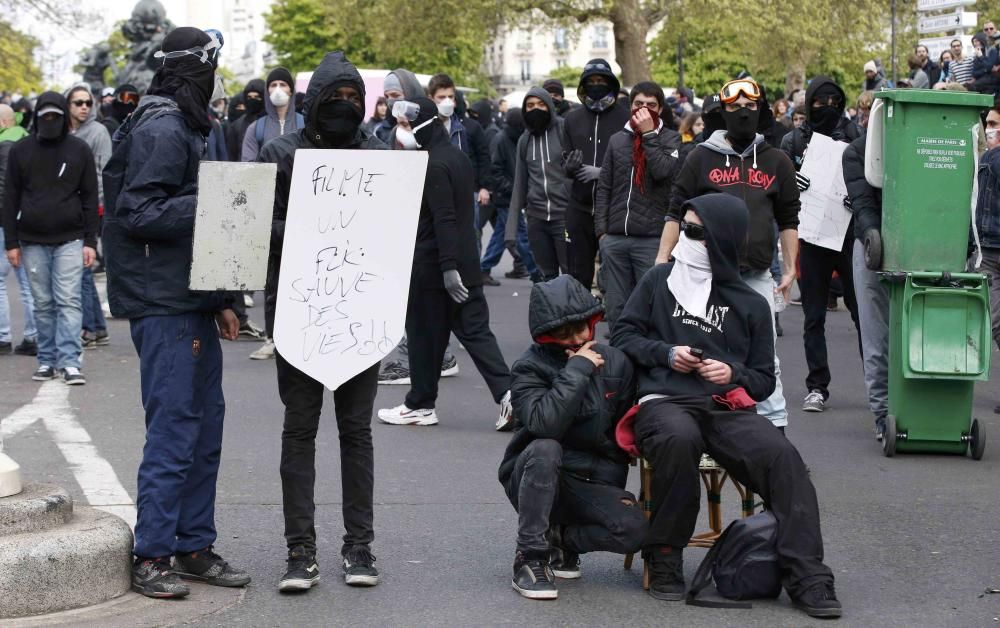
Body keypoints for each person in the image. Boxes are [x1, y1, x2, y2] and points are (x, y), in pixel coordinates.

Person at [612, 193, 841, 618]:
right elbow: (623, 335)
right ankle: (663, 558)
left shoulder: (751, 303)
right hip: (665, 400)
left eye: (696, 231)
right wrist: (666, 354)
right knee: (677, 439)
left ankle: (808, 576)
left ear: (721, 239)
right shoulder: (658, 282)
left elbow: (762, 380)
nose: (685, 236)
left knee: (782, 457)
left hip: (725, 406)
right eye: (683, 226)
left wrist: (730, 372)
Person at [101, 26, 249, 598]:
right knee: (175, 430)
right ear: (197, 69)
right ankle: (154, 554)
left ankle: (192, 544)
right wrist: (215, 197)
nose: (217, 80)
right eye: (212, 67)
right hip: (164, 304)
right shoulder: (164, 124)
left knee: (203, 427)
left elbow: (190, 224)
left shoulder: (179, 120)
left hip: (188, 298)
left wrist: (223, 299)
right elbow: (138, 212)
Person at [256, 51, 386, 593]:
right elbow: (259, 223)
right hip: (298, 308)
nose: (344, 106)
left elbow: (394, 233)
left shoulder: (379, 157)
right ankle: (299, 550)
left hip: (359, 310)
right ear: (311, 103)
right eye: (335, 96)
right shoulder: (279, 152)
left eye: (354, 97)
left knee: (356, 432)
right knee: (300, 429)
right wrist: (319, 229)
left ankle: (359, 546)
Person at [655, 78, 798, 430]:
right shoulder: (700, 157)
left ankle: (773, 429)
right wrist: (662, 259)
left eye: (750, 106)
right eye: (733, 107)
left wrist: (791, 269)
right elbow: (675, 211)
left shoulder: (777, 161)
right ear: (721, 112)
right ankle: (703, 425)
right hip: (704, 276)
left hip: (756, 277)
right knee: (699, 351)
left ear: (762, 110)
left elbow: (788, 218)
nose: (742, 113)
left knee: (766, 360)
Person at [500, 274, 645, 600]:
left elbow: (622, 428)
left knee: (634, 531)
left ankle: (561, 539)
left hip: (592, 481)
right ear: (547, 336)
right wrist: (577, 369)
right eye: (564, 334)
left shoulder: (617, 362)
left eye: (582, 327)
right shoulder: (529, 367)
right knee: (547, 447)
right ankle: (530, 556)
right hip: (535, 475)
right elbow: (544, 424)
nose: (578, 338)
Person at [376, 97, 514, 430]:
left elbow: (444, 217)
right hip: (464, 262)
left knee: (424, 336)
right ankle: (511, 397)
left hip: (435, 267)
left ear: (421, 124)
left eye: (407, 125)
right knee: (476, 334)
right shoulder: (457, 157)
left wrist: (447, 268)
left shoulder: (433, 164)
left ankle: (421, 404)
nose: (402, 131)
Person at [3, 91, 97, 385]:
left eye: (56, 116)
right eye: (45, 117)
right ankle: (46, 360)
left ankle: (69, 361)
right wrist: (12, 243)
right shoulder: (20, 151)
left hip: (70, 238)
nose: (50, 122)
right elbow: (10, 199)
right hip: (31, 241)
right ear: (37, 118)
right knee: (43, 303)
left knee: (69, 300)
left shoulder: (79, 150)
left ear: (63, 117)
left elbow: (90, 198)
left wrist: (90, 242)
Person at [780, 76, 861, 413]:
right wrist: (790, 181)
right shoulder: (794, 140)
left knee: (863, 315)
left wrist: (858, 198)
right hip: (812, 237)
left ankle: (880, 381)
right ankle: (817, 386)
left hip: (847, 236)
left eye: (833, 102)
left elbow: (875, 179)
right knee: (814, 315)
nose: (826, 109)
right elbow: (776, 185)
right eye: (819, 103)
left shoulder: (856, 136)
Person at [594, 82, 681, 327]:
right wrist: (602, 233)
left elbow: (664, 172)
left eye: (651, 105)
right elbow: (604, 187)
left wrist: (649, 135)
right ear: (630, 106)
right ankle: (619, 359)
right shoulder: (617, 140)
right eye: (638, 104)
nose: (644, 109)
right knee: (616, 307)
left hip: (652, 239)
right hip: (615, 238)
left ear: (661, 109)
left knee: (652, 306)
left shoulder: (671, 139)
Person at [561, 60, 630, 290]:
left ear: (611, 84)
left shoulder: (626, 117)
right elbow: (564, 158)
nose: (596, 85)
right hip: (579, 206)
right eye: (591, 81)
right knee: (577, 270)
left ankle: (615, 318)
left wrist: (602, 173)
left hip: (614, 208)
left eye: (601, 81)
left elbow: (634, 162)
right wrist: (569, 166)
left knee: (615, 273)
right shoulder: (572, 119)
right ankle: (580, 321)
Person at [841, 134, 888, 439]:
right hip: (874, 247)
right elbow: (863, 204)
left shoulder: (923, 143)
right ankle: (883, 412)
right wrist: (873, 236)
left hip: (921, 244)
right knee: (876, 334)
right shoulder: (857, 152)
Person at [64, 82, 112, 350]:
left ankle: (91, 327)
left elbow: (105, 171)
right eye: (77, 103)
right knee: (81, 270)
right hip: (67, 206)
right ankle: (96, 327)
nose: (84, 107)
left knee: (81, 268)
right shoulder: (62, 131)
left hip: (91, 208)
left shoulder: (98, 132)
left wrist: (98, 204)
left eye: (87, 103)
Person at [506, 88, 570, 282]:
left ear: (550, 106)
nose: (536, 109)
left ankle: (575, 312)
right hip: (537, 219)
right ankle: (550, 313)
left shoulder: (563, 129)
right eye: (531, 105)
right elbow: (519, 184)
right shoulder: (524, 140)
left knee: (570, 274)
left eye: (541, 105)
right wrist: (510, 231)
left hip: (564, 218)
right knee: (545, 276)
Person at [481, 108, 540, 284]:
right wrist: (513, 189)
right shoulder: (502, 140)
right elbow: (495, 170)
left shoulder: (513, 138)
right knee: (520, 235)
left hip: (509, 195)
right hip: (507, 196)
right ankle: (536, 272)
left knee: (502, 234)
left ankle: (484, 268)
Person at [0, 104, 36, 356]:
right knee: (28, 282)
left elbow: (4, 189)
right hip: (28, 217)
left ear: (3, 121)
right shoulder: (27, 140)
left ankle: (2, 336)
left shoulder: (4, 144)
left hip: (5, 220)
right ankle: (34, 335)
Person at [972, 106, 1000, 412]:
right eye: (986, 124)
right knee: (995, 323)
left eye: (993, 124)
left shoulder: (991, 158)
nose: (987, 128)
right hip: (988, 251)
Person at [241, 67, 303, 162]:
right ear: (267, 91)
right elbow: (248, 164)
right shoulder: (255, 128)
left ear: (291, 90)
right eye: (273, 85)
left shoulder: (305, 125)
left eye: (283, 84)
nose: (278, 89)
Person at [225, 78, 265, 161]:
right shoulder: (236, 125)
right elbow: (232, 156)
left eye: (257, 97)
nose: (253, 100)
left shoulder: (272, 122)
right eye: (249, 97)